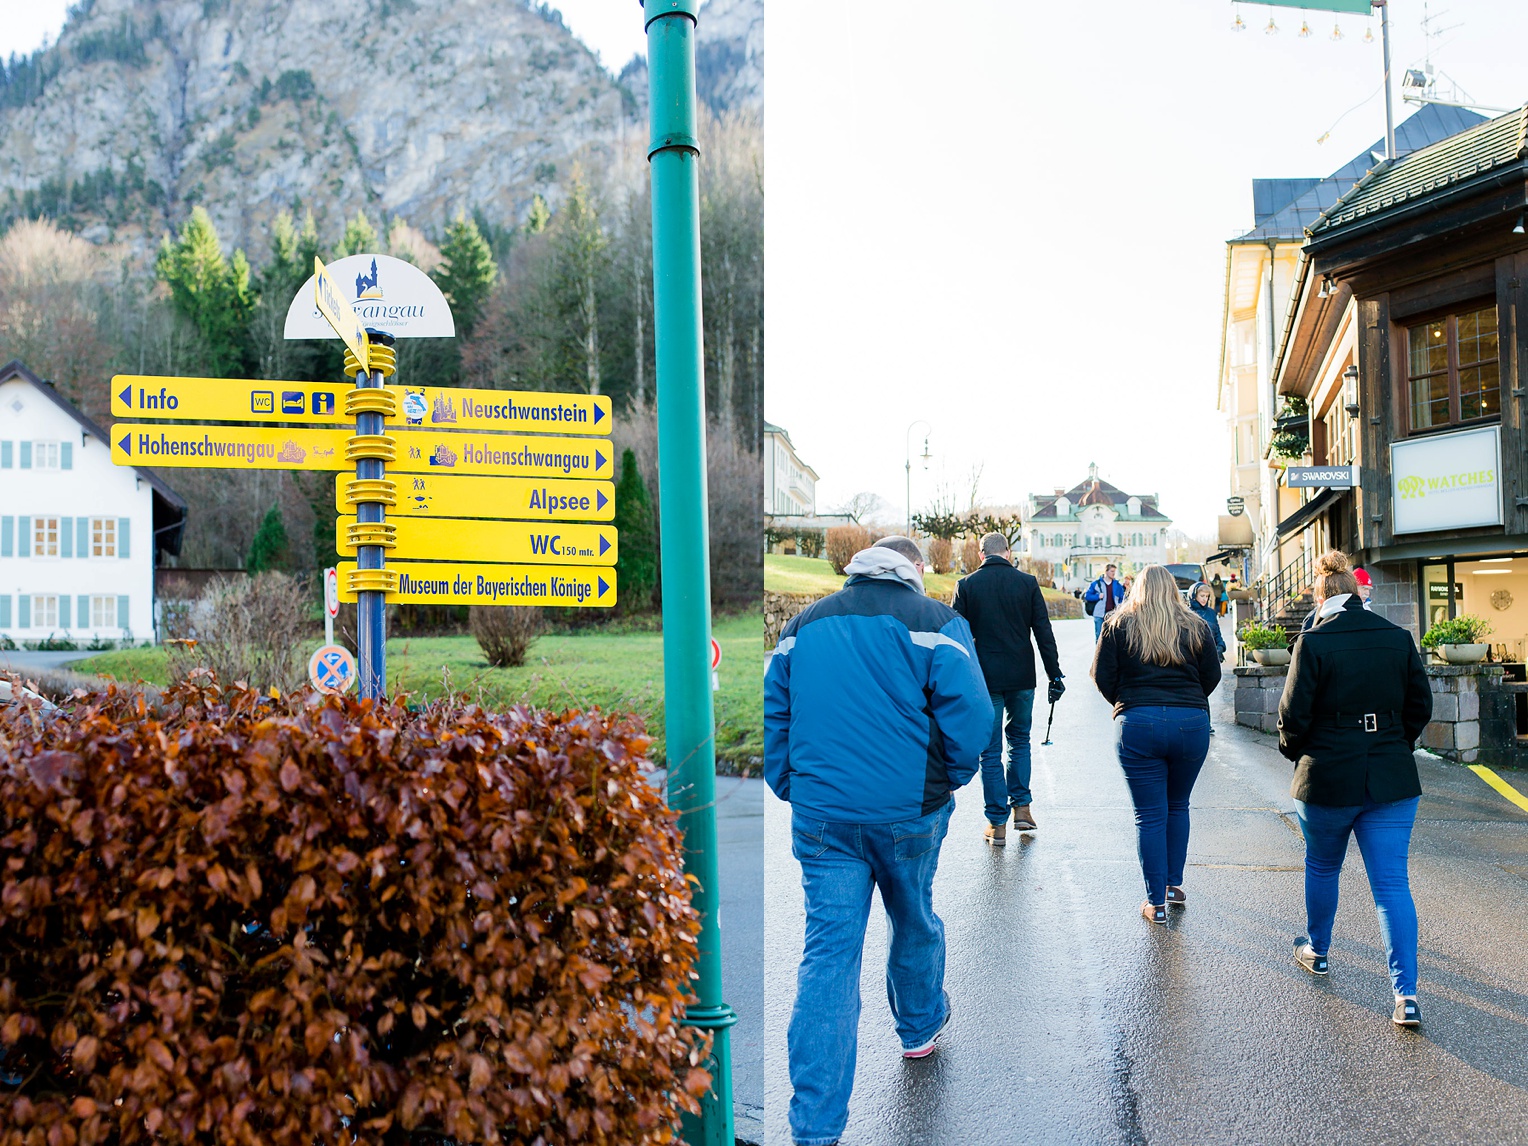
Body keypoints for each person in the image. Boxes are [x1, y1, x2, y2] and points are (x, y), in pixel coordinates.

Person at [764, 535, 992, 1146]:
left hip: (823, 818)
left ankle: (814, 1127)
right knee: (913, 914)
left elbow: (777, 712)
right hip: (909, 812)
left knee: (828, 956)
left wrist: (790, 783)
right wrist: (949, 781)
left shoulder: (803, 626)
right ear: (915, 570)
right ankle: (918, 1028)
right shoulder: (937, 623)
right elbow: (972, 716)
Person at [1277, 552, 1433, 1028]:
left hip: (1326, 775)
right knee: (1391, 885)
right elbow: (1419, 706)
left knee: (1323, 866)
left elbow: (1292, 719)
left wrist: (1301, 754)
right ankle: (1405, 995)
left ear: (1321, 598)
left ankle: (1318, 951)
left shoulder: (1314, 641)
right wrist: (1391, 744)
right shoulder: (1397, 637)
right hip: (1390, 775)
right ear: (1357, 591)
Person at [1091, 564, 1221, 924]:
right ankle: (1174, 886)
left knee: (1149, 815)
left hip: (1138, 724)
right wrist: (1190, 700)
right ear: (1174, 590)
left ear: (1138, 590)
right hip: (1190, 724)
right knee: (1178, 805)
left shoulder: (1119, 625)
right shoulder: (1196, 625)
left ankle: (1155, 902)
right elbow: (1211, 675)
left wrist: (1127, 702)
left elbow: (1102, 676)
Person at [952, 532, 1064, 843]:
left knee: (989, 751)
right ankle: (1023, 809)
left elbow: (957, 638)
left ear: (981, 554)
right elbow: (1043, 632)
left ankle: (996, 822)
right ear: (1008, 552)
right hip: (1022, 678)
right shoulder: (1027, 583)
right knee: (1020, 741)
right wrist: (1055, 674)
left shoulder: (966, 586)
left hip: (984, 680)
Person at [1083, 563, 1126, 641]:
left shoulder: (1117, 585)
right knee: (1099, 637)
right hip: (1099, 614)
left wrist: (1120, 607)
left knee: (1113, 638)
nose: (1113, 573)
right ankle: (1098, 653)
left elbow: (1122, 598)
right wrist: (1097, 596)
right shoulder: (1096, 584)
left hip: (1113, 615)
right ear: (1106, 571)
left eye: (1114, 571)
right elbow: (1087, 596)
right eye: (1112, 571)